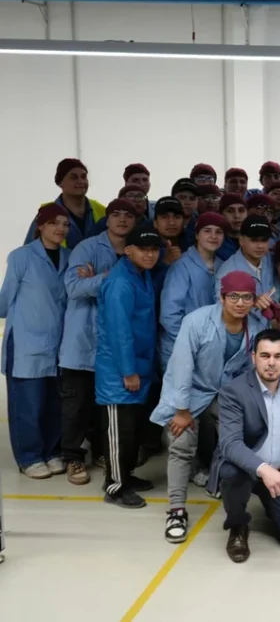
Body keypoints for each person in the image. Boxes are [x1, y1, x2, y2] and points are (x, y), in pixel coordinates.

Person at [153, 272, 276, 542]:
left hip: (225, 393)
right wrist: (182, 410)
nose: (240, 303)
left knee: (237, 438)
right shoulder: (196, 321)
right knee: (181, 443)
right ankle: (176, 510)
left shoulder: (255, 327)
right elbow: (182, 366)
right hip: (190, 391)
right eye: (234, 296)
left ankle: (221, 486)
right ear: (221, 297)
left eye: (247, 297)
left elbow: (253, 369)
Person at [209, 329, 280, 562]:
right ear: (254, 357)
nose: (271, 363)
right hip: (247, 468)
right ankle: (237, 526)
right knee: (231, 472)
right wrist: (264, 470)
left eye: (278, 356)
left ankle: (275, 507)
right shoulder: (234, 391)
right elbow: (230, 444)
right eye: (265, 355)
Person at [59, 199, 137, 484]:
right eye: (116, 214)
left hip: (113, 344)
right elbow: (73, 288)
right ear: (107, 219)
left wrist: (98, 280)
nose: (122, 219)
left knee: (105, 406)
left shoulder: (136, 250)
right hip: (83, 341)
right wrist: (109, 278)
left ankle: (102, 453)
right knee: (76, 405)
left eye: (128, 215)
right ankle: (73, 457)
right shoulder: (87, 248)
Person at [95, 225, 162, 509]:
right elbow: (119, 331)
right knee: (119, 432)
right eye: (143, 249)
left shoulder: (140, 274)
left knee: (132, 430)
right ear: (128, 250)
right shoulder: (120, 283)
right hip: (119, 372)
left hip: (139, 365)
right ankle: (114, 487)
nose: (150, 254)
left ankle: (125, 476)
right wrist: (128, 371)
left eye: (154, 249)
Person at [1, 204, 70, 479]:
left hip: (58, 343)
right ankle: (29, 457)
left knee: (54, 402)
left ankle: (51, 451)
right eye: (54, 223)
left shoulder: (69, 257)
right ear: (40, 226)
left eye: (65, 224)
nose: (60, 228)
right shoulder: (21, 257)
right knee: (27, 404)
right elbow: (5, 301)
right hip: (26, 341)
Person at [158, 212, 227, 368]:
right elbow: (169, 314)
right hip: (180, 349)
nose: (213, 236)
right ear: (196, 235)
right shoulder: (181, 266)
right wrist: (189, 344)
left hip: (208, 350)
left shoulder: (223, 266)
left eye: (219, 232)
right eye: (207, 231)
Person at [26, 158, 106, 250]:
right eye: (73, 177)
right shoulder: (46, 214)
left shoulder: (102, 210)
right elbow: (28, 252)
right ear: (60, 182)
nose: (80, 181)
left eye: (84, 177)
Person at [215, 215, 276, 301]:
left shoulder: (271, 260)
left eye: (264, 240)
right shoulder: (227, 272)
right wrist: (252, 303)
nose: (260, 246)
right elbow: (221, 306)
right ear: (241, 240)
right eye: (254, 240)